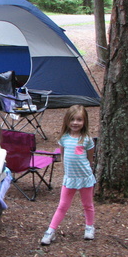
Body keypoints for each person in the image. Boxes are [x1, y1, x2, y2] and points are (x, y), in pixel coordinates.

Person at [41, 105, 96, 245]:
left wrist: (88, 170)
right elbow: (64, 155)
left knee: (87, 205)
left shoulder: (87, 139)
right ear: (67, 121)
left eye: (79, 120)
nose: (75, 123)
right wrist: (67, 172)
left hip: (85, 178)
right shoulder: (64, 138)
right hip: (70, 179)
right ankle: (51, 231)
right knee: (62, 206)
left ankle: (89, 227)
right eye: (72, 119)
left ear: (84, 121)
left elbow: (90, 158)